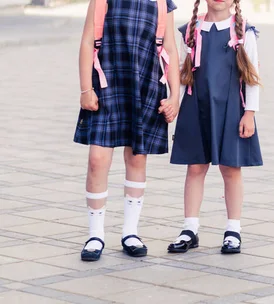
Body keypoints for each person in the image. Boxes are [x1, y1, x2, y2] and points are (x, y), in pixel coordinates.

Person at [75, 0, 180, 261]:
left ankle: (130, 232)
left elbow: (170, 49)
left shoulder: (161, 2)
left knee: (136, 157)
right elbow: (88, 41)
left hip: (145, 83)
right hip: (106, 81)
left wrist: (175, 95)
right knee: (97, 160)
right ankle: (95, 234)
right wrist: (85, 89)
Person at [168, 0, 262, 255]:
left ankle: (233, 229)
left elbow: (252, 77)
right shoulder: (191, 30)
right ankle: (190, 228)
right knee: (195, 166)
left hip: (232, 108)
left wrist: (250, 113)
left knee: (231, 167)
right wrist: (173, 100)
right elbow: (180, 70)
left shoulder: (243, 31)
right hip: (196, 104)